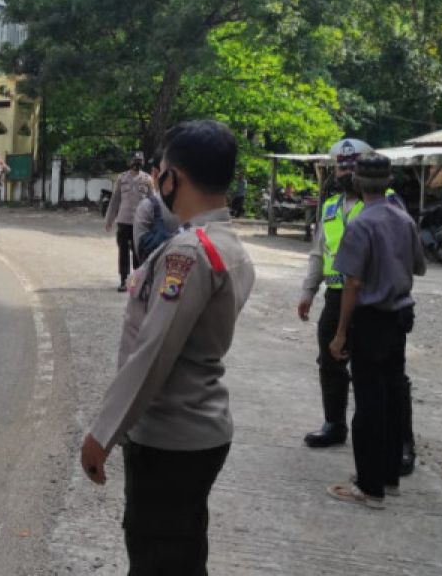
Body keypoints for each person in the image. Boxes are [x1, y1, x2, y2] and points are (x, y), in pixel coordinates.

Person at [80, 121, 256, 574]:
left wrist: (104, 431)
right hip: (199, 431)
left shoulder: (190, 253)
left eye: (160, 172)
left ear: (172, 177)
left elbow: (154, 351)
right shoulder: (228, 245)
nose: (157, 181)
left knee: (157, 556)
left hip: (170, 437)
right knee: (182, 550)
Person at [298, 139, 417, 472]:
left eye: (352, 166)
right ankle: (334, 424)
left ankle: (402, 442)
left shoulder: (388, 203)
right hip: (337, 294)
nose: (345, 172)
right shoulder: (332, 207)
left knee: (389, 375)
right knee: (330, 362)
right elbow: (319, 251)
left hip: (375, 299)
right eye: (341, 166)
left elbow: (407, 253)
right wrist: (309, 290)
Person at [327, 153, 426, 509]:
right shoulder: (404, 220)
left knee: (368, 402)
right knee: (391, 395)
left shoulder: (361, 224)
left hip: (370, 319)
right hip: (399, 318)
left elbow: (352, 283)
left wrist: (340, 332)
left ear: (356, 182)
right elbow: (419, 267)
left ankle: (369, 488)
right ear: (389, 182)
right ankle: (387, 476)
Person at [105, 152, 155, 292]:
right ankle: (123, 280)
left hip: (140, 223)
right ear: (130, 162)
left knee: (138, 252)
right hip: (123, 221)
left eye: (140, 161)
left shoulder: (147, 179)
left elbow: (153, 201)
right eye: (135, 161)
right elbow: (115, 200)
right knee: (123, 252)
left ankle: (137, 281)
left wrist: (154, 221)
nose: (137, 163)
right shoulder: (122, 179)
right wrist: (109, 220)